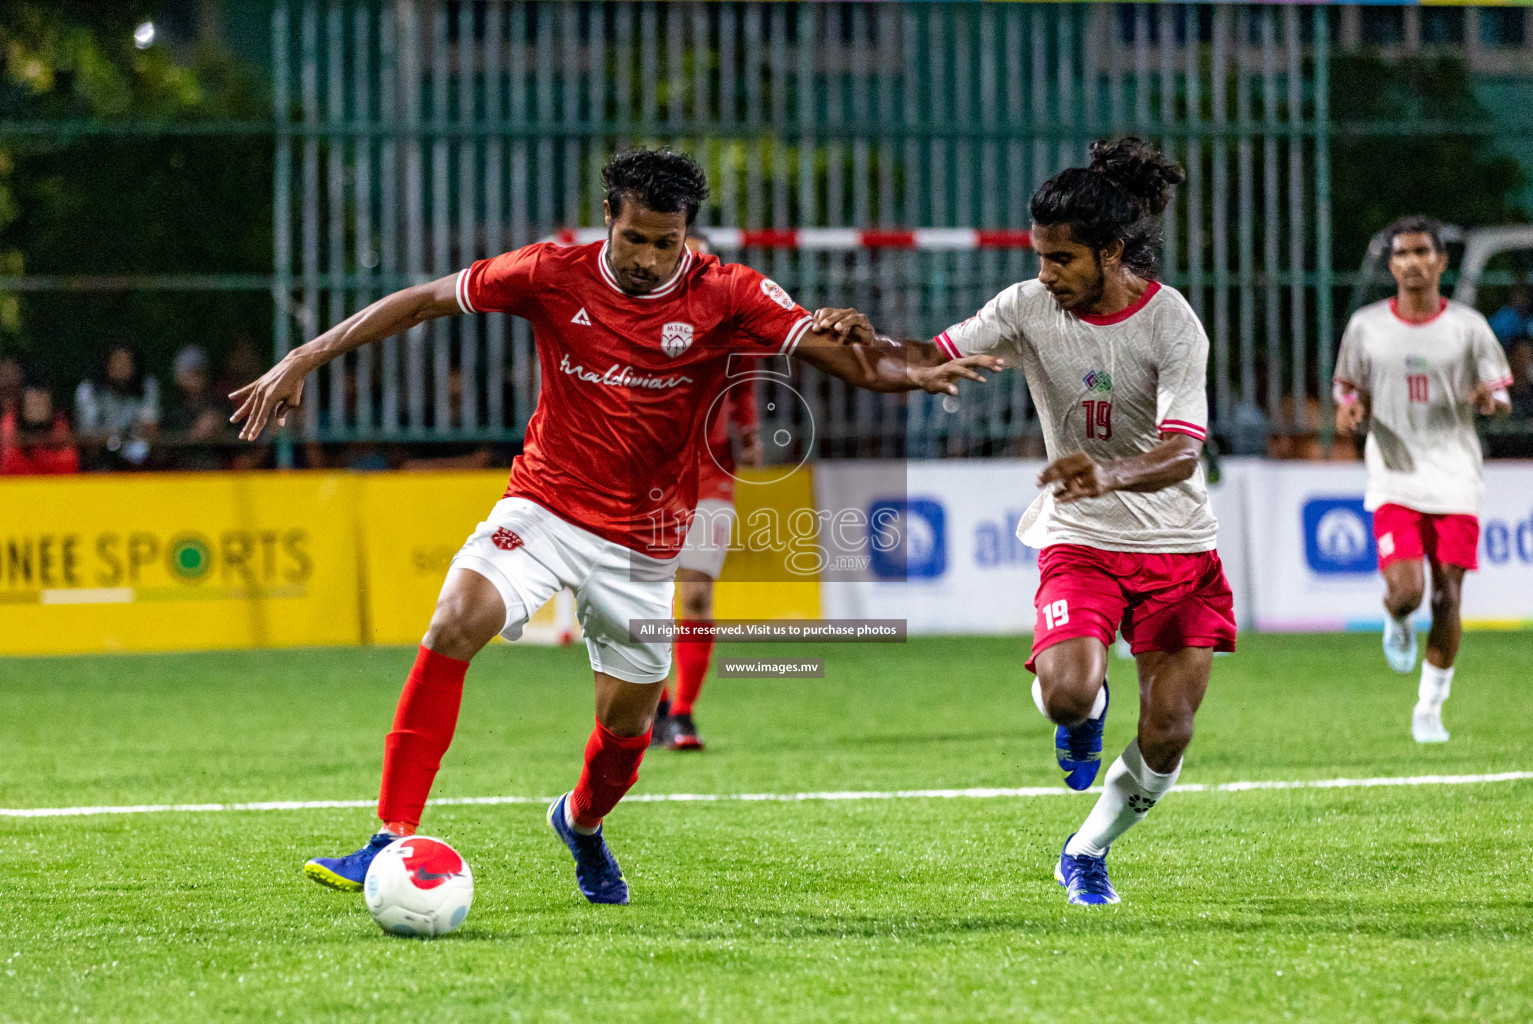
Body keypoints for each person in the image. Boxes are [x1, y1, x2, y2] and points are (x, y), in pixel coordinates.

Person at [230, 148, 996, 906]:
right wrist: (307, 353)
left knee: (628, 728)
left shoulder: (727, 291)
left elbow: (849, 356)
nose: (650, 258)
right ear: (608, 219)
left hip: (644, 543)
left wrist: (913, 366)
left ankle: (581, 825)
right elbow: (428, 299)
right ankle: (390, 836)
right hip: (544, 506)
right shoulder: (550, 272)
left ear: (687, 232)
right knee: (455, 620)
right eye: (636, 239)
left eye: (667, 242)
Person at [865, 137, 1236, 906]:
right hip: (1083, 540)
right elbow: (928, 353)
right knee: (1069, 694)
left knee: (1168, 732)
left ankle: (1086, 850)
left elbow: (1180, 453)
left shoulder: (1173, 324)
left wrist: (1107, 471)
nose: (1047, 274)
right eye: (1039, 256)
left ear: (1111, 251)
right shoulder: (1027, 307)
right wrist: (853, 343)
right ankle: (1080, 718)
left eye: (1063, 259)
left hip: (1178, 546)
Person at [1334, 216, 1512, 744]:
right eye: (1402, 254)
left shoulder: (1468, 327)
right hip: (1394, 474)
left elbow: (1501, 394)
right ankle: (1396, 618)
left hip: (1456, 476)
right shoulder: (1367, 326)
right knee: (1409, 591)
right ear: (1391, 265)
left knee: (1448, 597)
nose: (1412, 262)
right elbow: (1348, 387)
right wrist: (1349, 409)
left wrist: (1491, 401)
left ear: (1440, 262)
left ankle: (1429, 708)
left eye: (1421, 252)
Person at [653, 231, 763, 752]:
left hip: (712, 467)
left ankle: (682, 712)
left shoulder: (727, 319)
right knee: (639, 597)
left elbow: (742, 382)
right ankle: (648, 703)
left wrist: (747, 430)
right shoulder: (634, 317)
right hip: (645, 471)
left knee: (695, 592)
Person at [74, 343, 159, 470]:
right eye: (117, 361)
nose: (122, 367)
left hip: (139, 462)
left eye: (127, 361)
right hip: (100, 461)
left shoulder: (146, 386)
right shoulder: (88, 390)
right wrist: (117, 436)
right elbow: (88, 435)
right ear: (106, 364)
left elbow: (151, 428)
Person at [161, 345, 230, 471]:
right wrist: (191, 436)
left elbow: (240, 443)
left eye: (200, 371)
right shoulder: (170, 410)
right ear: (178, 378)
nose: (197, 377)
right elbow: (162, 451)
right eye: (191, 372)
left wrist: (220, 425)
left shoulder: (222, 405)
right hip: (180, 477)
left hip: (219, 476)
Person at [0, 380, 79, 475]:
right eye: (34, 403)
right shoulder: (10, 426)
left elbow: (69, 463)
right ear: (22, 406)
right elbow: (8, 464)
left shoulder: (59, 427)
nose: (38, 410)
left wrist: (42, 456)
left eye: (43, 403)